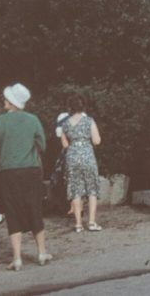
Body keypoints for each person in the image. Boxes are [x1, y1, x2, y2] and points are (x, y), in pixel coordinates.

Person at [0, 83, 50, 271]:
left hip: (7, 172)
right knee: (34, 208)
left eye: (6, 98)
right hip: (31, 170)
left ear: (11, 101)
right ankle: (41, 252)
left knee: (12, 212)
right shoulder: (33, 120)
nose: (3, 101)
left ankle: (17, 258)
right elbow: (42, 145)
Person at [60, 93, 103, 233]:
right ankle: (91, 222)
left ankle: (78, 224)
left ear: (70, 107)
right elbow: (96, 141)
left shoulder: (65, 124)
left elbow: (65, 144)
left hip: (72, 157)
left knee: (75, 190)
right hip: (87, 156)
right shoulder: (89, 121)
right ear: (83, 106)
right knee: (92, 189)